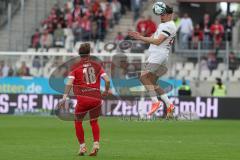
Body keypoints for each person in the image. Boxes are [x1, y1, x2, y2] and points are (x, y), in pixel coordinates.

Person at [62, 43, 111, 156]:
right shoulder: (97, 65)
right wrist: (106, 91)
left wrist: (65, 96)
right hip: (96, 99)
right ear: (89, 53)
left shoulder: (75, 67)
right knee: (94, 122)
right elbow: (107, 80)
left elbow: (69, 83)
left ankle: (82, 147)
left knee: (78, 121)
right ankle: (96, 144)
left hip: (83, 100)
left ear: (79, 54)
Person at [128, 4, 176, 118]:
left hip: (158, 54)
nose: (161, 16)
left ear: (169, 15)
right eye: (160, 15)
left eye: (163, 14)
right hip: (162, 55)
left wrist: (140, 38)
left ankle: (155, 102)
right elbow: (153, 39)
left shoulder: (168, 26)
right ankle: (169, 105)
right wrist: (140, 36)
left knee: (143, 77)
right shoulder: (164, 25)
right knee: (153, 82)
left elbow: (158, 41)